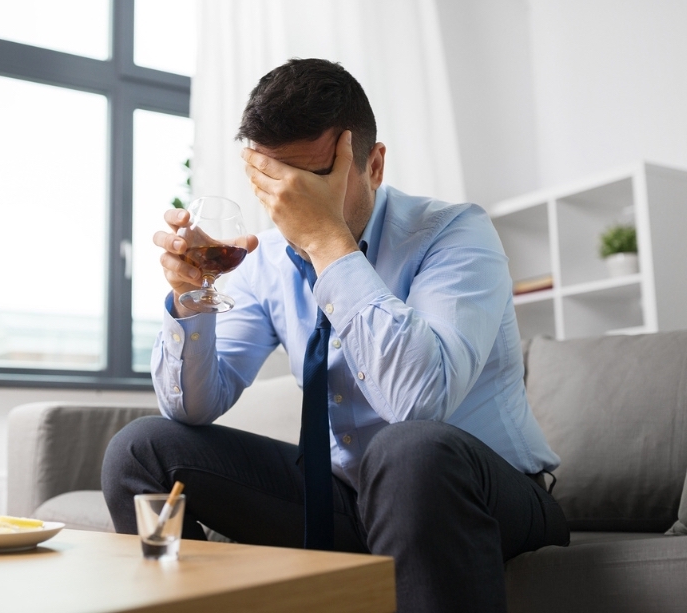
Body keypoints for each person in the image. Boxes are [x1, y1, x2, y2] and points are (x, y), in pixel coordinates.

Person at [102, 58, 568, 612]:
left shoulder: (455, 233)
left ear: (373, 165)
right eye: (278, 185)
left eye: (315, 183)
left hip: (478, 492)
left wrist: (328, 245)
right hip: (347, 501)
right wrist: (192, 297)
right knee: (140, 450)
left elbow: (419, 403)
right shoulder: (265, 261)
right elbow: (195, 408)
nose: (293, 209)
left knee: (411, 451)